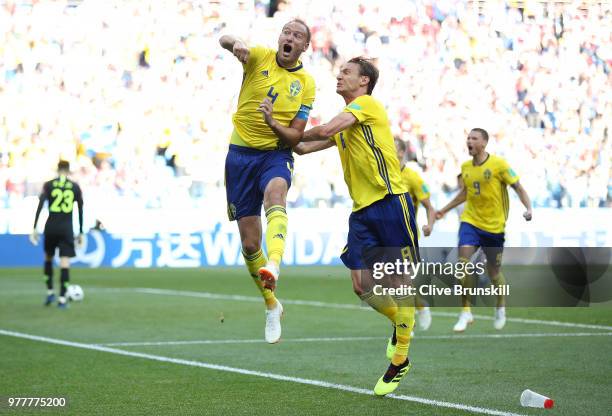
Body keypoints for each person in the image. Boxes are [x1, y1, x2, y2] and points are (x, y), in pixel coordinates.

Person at [295, 57, 418, 396]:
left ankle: (400, 360)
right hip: (362, 211)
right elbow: (303, 147)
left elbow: (322, 131)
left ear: (363, 81)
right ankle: (401, 324)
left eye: (346, 72)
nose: (339, 75)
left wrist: (291, 132)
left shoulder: (366, 105)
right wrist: (271, 136)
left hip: (391, 202)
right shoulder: (348, 124)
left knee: (399, 282)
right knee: (360, 283)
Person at [219, 19, 316, 343]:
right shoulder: (258, 56)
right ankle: (271, 304)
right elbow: (226, 37)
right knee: (249, 244)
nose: (290, 38)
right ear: (280, 38)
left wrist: (272, 121)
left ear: (305, 47)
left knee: (276, 195)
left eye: (297, 36)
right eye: (287, 32)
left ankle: (274, 263)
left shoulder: (305, 83)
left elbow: (296, 135)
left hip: (275, 154)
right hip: (240, 157)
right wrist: (235, 43)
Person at [435, 128, 532, 331]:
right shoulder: (466, 167)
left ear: (484, 143)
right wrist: (443, 210)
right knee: (462, 264)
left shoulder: (499, 165)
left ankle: (500, 306)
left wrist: (528, 208)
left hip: (494, 227)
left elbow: (519, 188)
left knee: (494, 272)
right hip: (470, 222)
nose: (469, 141)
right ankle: (465, 312)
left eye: (474, 138)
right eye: (468, 138)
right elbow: (464, 194)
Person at [30, 160, 84, 309]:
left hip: (51, 226)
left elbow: (40, 205)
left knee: (48, 258)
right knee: (65, 263)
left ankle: (49, 292)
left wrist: (34, 227)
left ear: (58, 169)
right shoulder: (74, 186)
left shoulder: (49, 185)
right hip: (66, 228)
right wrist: (80, 232)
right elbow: (80, 209)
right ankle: (62, 299)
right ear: (68, 170)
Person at [395, 138, 435, 331]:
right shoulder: (383, 174)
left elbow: (429, 206)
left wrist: (430, 224)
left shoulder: (412, 176)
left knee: (404, 280)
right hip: (385, 235)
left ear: (401, 153)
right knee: (392, 282)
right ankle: (419, 305)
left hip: (407, 236)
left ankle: (407, 322)